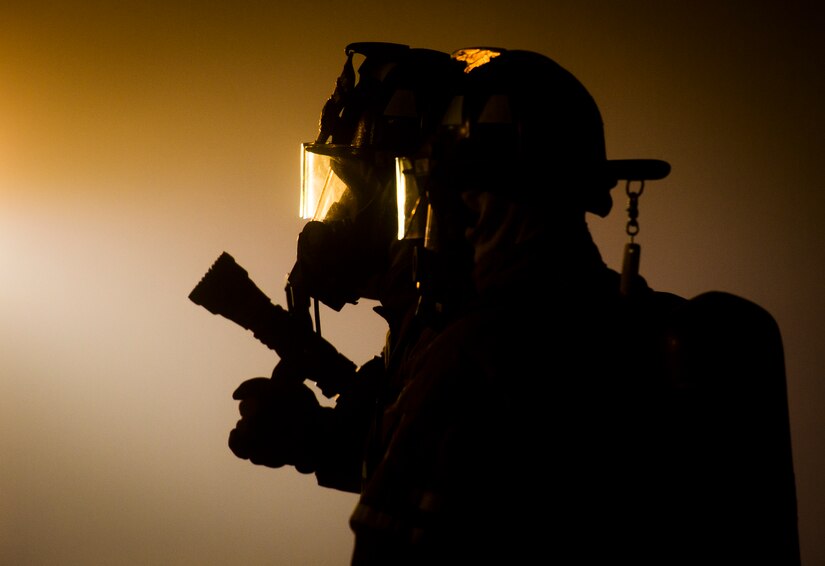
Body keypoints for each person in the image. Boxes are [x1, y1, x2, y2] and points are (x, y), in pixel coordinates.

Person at [348, 47, 800, 564]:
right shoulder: (643, 325)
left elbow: (392, 545)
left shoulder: (473, 361)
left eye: (444, 195)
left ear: (475, 201)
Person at [227, 43, 471, 493]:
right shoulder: (428, 321)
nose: (331, 220)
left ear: (424, 193)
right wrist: (317, 438)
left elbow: (423, 484)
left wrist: (316, 439)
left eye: (355, 192)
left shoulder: (478, 340)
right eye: (332, 192)